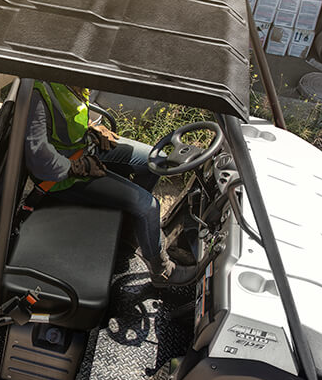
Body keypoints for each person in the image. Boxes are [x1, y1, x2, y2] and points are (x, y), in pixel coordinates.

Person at [23, 82, 194, 286]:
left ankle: (128, 229)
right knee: (149, 206)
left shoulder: (71, 79)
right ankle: (162, 272)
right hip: (63, 176)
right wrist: (79, 167)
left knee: (156, 160)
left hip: (85, 148)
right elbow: (39, 161)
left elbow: (65, 120)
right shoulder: (38, 94)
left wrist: (92, 129)